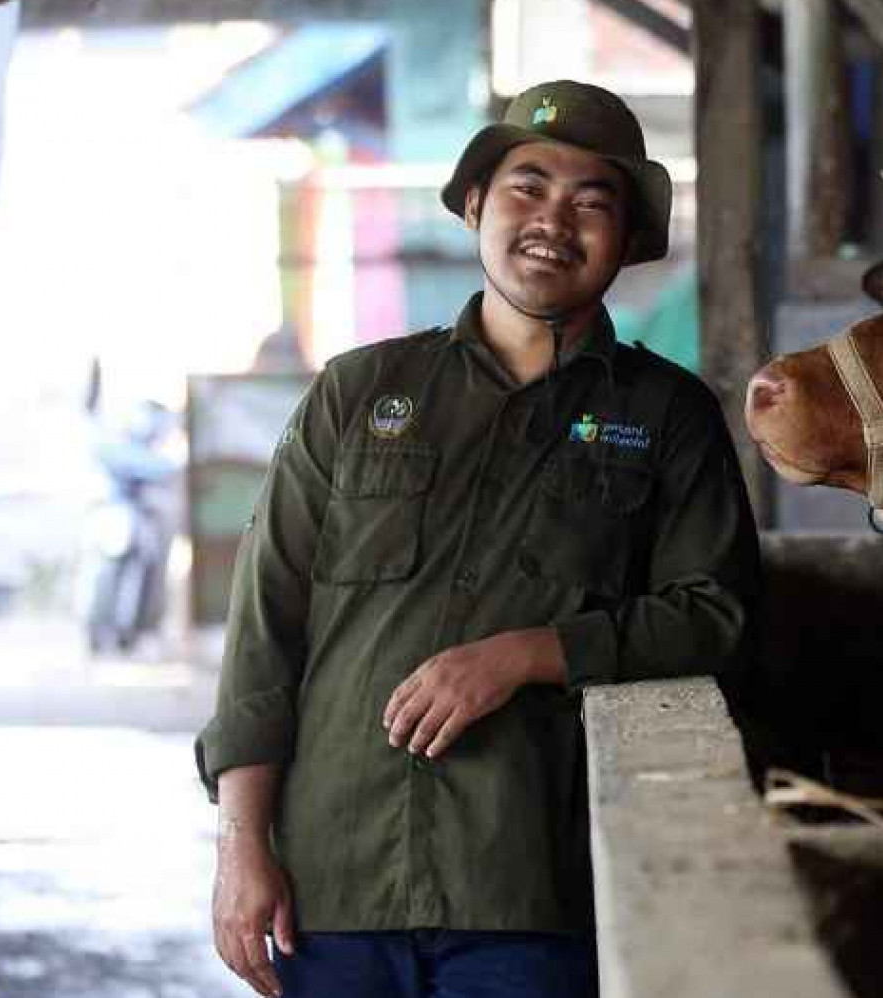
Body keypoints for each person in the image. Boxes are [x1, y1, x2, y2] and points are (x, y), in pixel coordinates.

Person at [196, 80, 761, 998]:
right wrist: (240, 846)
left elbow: (718, 616)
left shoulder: (667, 416)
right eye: (526, 188)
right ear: (473, 206)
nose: (554, 220)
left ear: (626, 239)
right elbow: (265, 632)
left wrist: (532, 653)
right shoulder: (356, 394)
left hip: (531, 890)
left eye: (592, 200)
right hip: (335, 885)